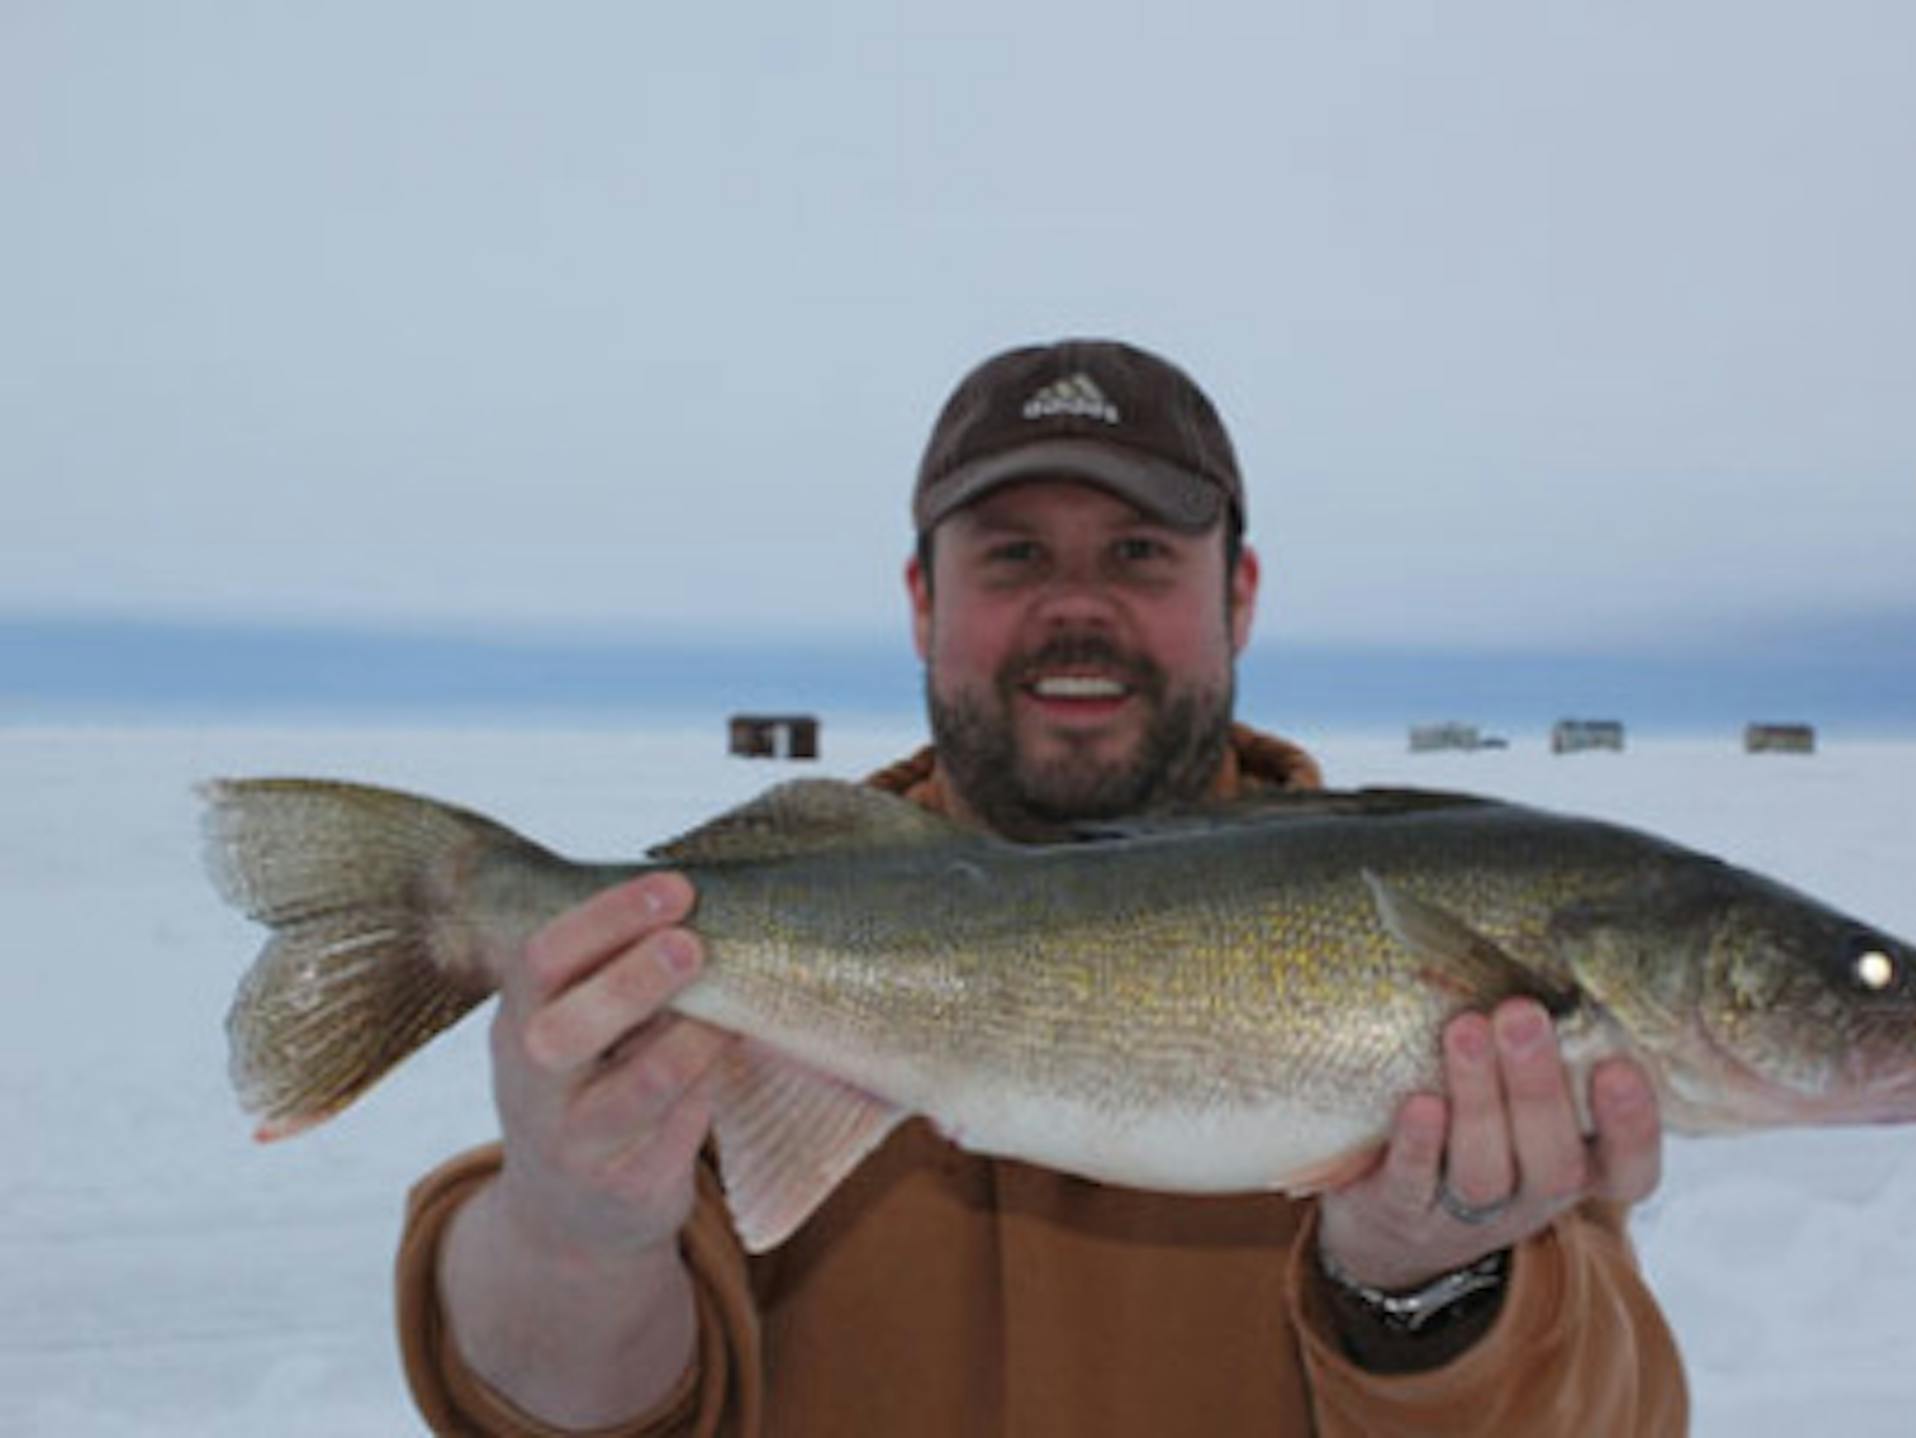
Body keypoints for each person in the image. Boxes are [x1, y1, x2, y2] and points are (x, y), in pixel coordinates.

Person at [396, 339, 1687, 1434]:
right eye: (1012, 555)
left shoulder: (1449, 960)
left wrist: (1423, 1287)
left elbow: (1609, 1411)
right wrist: (573, 1234)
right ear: (922, 601)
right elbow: (557, 1405)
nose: (1078, 605)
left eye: (1138, 551)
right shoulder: (752, 945)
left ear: (1238, 593)